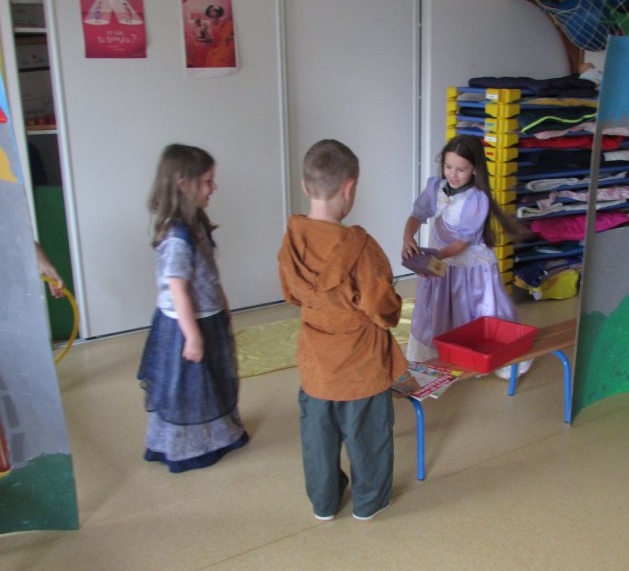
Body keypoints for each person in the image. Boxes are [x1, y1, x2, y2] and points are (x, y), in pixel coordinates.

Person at [278, 139, 406, 522]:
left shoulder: (292, 239)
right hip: (361, 367)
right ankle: (369, 503)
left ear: (305, 186)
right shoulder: (361, 248)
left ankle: (324, 503)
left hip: (316, 366)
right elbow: (383, 309)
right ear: (349, 188)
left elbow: (291, 294)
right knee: (368, 438)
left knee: (318, 440)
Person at [137, 144, 248, 473]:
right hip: (185, 325)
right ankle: (188, 447)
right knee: (189, 388)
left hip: (207, 317)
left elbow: (208, 273)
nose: (214, 187)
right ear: (183, 185)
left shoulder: (196, 222)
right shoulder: (177, 236)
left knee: (212, 380)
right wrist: (192, 336)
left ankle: (217, 434)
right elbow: (178, 289)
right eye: (207, 181)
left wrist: (222, 303)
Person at [402, 135, 531, 380]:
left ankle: (478, 355)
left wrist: (432, 260)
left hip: (467, 264)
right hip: (441, 257)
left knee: (470, 307)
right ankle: (443, 354)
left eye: (461, 169)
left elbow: (462, 243)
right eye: (448, 166)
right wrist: (408, 239)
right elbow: (416, 215)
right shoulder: (435, 186)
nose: (453, 174)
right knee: (440, 307)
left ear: (474, 170)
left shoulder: (476, 200)